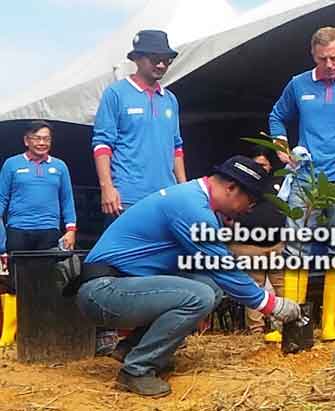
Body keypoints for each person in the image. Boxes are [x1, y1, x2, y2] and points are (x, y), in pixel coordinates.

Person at [75, 155, 301, 397]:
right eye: (251, 200)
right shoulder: (191, 207)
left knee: (209, 287)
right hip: (104, 290)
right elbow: (222, 267)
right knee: (200, 295)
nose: (249, 209)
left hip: (122, 285)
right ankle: (137, 370)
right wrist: (271, 304)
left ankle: (133, 348)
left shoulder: (195, 199)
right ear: (232, 188)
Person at [269, 26, 335, 341]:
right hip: (305, 175)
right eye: (322, 59)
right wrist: (282, 150)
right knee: (294, 246)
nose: (329, 64)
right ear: (313, 56)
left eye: (334, 57)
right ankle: (290, 321)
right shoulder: (298, 84)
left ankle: (330, 322)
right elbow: (277, 116)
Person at [92, 29, 187, 354]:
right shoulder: (116, 94)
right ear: (138, 59)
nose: (162, 63)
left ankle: (142, 341)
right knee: (121, 267)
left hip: (165, 199)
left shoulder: (170, 99)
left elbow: (177, 147)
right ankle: (111, 335)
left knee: (164, 267)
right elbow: (102, 143)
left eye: (167, 58)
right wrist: (107, 187)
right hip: (127, 194)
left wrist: (183, 190)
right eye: (155, 58)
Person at [0, 120, 77, 347]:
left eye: (46, 139)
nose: (42, 143)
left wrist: (71, 229)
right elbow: (1, 200)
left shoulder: (60, 167)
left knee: (46, 281)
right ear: (27, 140)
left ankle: (40, 330)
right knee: (15, 282)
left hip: (48, 232)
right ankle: (9, 335)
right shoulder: (12, 165)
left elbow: (67, 200)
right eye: (37, 138)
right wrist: (2, 241)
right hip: (18, 230)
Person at [228, 147, 286, 342]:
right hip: (247, 245)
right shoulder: (240, 184)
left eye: (264, 164)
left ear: (270, 165)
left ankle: (284, 328)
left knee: (283, 287)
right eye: (257, 164)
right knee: (254, 288)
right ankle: (256, 333)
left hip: (276, 244)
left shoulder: (280, 182)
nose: (261, 167)